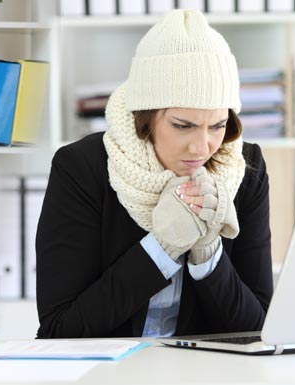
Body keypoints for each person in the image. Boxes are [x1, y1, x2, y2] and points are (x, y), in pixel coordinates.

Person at [36, 9, 273, 338]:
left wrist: (208, 254)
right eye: (182, 125)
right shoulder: (81, 168)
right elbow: (60, 329)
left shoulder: (245, 169)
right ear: (144, 118)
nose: (201, 147)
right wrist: (163, 247)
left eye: (218, 126)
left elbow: (258, 328)